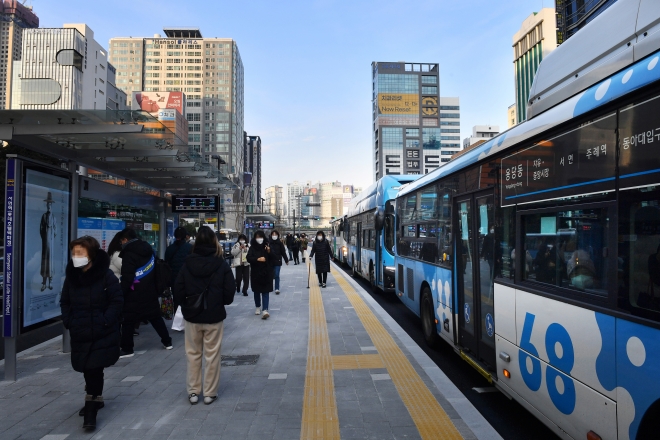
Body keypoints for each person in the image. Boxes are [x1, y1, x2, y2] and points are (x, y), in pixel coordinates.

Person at [60, 236, 123, 430]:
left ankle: (91, 408)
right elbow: (65, 302)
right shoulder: (72, 277)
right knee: (87, 367)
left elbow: (117, 300)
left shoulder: (105, 275)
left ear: (92, 254)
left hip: (101, 329)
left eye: (81, 252)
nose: (76, 256)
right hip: (80, 330)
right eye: (74, 253)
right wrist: (69, 321)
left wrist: (105, 319)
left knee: (95, 367)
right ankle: (96, 398)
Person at [173, 226, 235, 405]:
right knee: (212, 355)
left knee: (192, 354)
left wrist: (185, 306)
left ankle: (193, 392)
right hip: (214, 316)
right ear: (214, 242)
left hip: (192, 316)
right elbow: (230, 291)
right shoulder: (221, 263)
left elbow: (178, 289)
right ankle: (209, 393)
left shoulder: (187, 263)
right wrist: (218, 302)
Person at [118, 228, 172, 358]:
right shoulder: (148, 250)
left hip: (133, 293)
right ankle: (167, 342)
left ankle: (127, 349)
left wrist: (120, 293)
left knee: (128, 321)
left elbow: (127, 277)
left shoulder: (129, 254)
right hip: (150, 290)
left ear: (125, 240)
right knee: (155, 317)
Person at [247, 230, 275, 319]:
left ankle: (265, 309)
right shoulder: (252, 248)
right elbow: (248, 258)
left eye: (261, 237)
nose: (259, 239)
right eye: (257, 237)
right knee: (256, 291)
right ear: (255, 238)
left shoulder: (267, 246)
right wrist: (257, 259)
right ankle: (258, 306)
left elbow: (273, 258)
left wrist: (269, 251)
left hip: (266, 272)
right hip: (256, 273)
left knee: (265, 292)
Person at [40, 192, 56, 291]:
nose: (49, 206)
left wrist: (51, 236)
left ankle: (50, 282)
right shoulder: (44, 216)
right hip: (45, 242)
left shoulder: (53, 217)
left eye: (50, 204)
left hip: (51, 242)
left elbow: (56, 229)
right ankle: (44, 282)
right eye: (48, 204)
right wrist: (45, 237)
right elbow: (41, 229)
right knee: (44, 260)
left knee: (51, 262)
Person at [268, 229, 289, 294]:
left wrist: (286, 260)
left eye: (275, 234)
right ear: (271, 235)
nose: (274, 236)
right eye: (273, 234)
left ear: (278, 235)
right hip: (270, 261)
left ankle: (277, 288)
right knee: (270, 275)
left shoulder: (280, 243)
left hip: (277, 261)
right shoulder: (268, 243)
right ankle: (270, 287)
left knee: (276, 275)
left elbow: (283, 252)